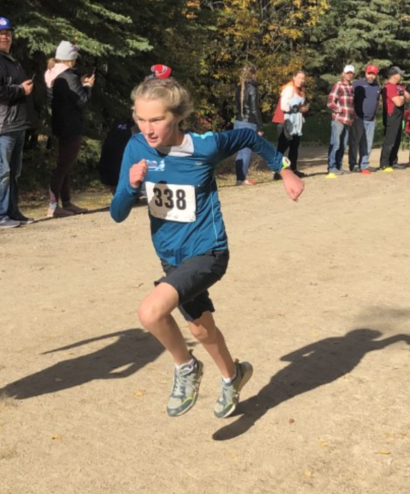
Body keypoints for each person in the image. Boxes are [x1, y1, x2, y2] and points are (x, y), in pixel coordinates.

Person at [110, 77, 304, 419]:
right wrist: (130, 185)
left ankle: (186, 368)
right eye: (141, 119)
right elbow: (117, 213)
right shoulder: (136, 148)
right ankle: (234, 375)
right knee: (200, 328)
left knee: (151, 312)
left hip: (208, 252)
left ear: (177, 115)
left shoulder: (204, 146)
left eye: (157, 119)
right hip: (172, 258)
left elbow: (246, 136)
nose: (148, 128)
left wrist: (285, 171)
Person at [0, 17, 36, 229]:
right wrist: (21, 90)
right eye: (0, 33)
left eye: (8, 32)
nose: (5, 36)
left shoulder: (8, 59)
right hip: (1, 126)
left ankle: (12, 212)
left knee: (13, 172)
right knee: (0, 172)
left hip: (15, 125)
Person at [46, 41, 95, 218]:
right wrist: (88, 86)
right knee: (63, 165)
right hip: (71, 125)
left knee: (65, 163)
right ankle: (53, 205)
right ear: (71, 58)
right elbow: (82, 100)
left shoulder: (52, 73)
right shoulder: (68, 76)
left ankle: (65, 202)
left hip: (60, 124)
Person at [273, 71, 309, 179]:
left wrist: (304, 108)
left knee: (294, 147)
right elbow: (284, 106)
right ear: (294, 77)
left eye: (303, 78)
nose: (301, 80)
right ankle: (277, 172)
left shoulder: (301, 90)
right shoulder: (289, 89)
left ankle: (293, 170)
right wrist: (298, 108)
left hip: (297, 122)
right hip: (287, 122)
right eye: (299, 78)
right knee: (283, 147)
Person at [234, 65, 265, 186]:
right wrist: (260, 126)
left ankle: (239, 178)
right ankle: (242, 178)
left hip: (238, 121)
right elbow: (254, 109)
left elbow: (237, 106)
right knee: (246, 151)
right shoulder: (252, 88)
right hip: (249, 122)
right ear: (253, 74)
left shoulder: (238, 88)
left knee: (240, 151)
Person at [350, 65, 382, 174]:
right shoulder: (357, 84)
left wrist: (375, 114)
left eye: (374, 74)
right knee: (355, 142)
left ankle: (364, 164)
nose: (371, 76)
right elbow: (350, 100)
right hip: (358, 118)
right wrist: (354, 114)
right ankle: (353, 164)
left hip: (371, 119)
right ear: (365, 73)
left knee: (367, 144)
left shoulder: (377, 86)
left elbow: (377, 101)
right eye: (370, 73)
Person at [327, 65, 356, 177]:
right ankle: (332, 166)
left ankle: (338, 166)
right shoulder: (338, 85)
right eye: (347, 73)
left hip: (348, 120)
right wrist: (339, 110)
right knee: (336, 143)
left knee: (343, 145)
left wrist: (353, 114)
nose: (349, 74)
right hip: (338, 119)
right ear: (343, 73)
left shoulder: (351, 87)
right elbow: (330, 102)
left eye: (351, 73)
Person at [380, 67, 408, 172]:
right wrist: (402, 98)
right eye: (400, 74)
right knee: (390, 140)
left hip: (399, 115)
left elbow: (408, 97)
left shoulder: (398, 86)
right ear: (395, 75)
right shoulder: (389, 87)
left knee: (397, 139)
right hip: (391, 115)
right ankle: (385, 163)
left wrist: (402, 97)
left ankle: (393, 161)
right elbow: (398, 102)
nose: (401, 76)